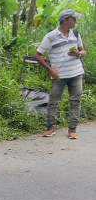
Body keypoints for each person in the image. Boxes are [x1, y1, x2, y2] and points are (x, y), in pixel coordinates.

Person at [36, 9, 87, 139]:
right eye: (73, 19)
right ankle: (51, 128)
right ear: (65, 20)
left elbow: (83, 51)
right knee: (54, 101)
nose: (75, 21)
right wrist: (50, 69)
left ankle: (72, 130)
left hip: (76, 73)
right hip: (59, 75)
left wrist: (79, 53)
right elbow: (38, 55)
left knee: (75, 101)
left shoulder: (75, 34)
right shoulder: (51, 36)